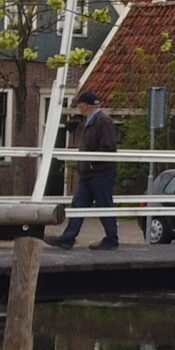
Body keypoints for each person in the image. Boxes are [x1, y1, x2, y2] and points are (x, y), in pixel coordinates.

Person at [50, 89, 121, 249]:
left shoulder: (103, 121)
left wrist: (90, 162)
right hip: (89, 173)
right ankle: (68, 238)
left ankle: (112, 239)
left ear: (86, 105)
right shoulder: (90, 121)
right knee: (78, 204)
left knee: (104, 205)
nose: (79, 107)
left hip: (100, 173)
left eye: (80, 104)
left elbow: (109, 147)